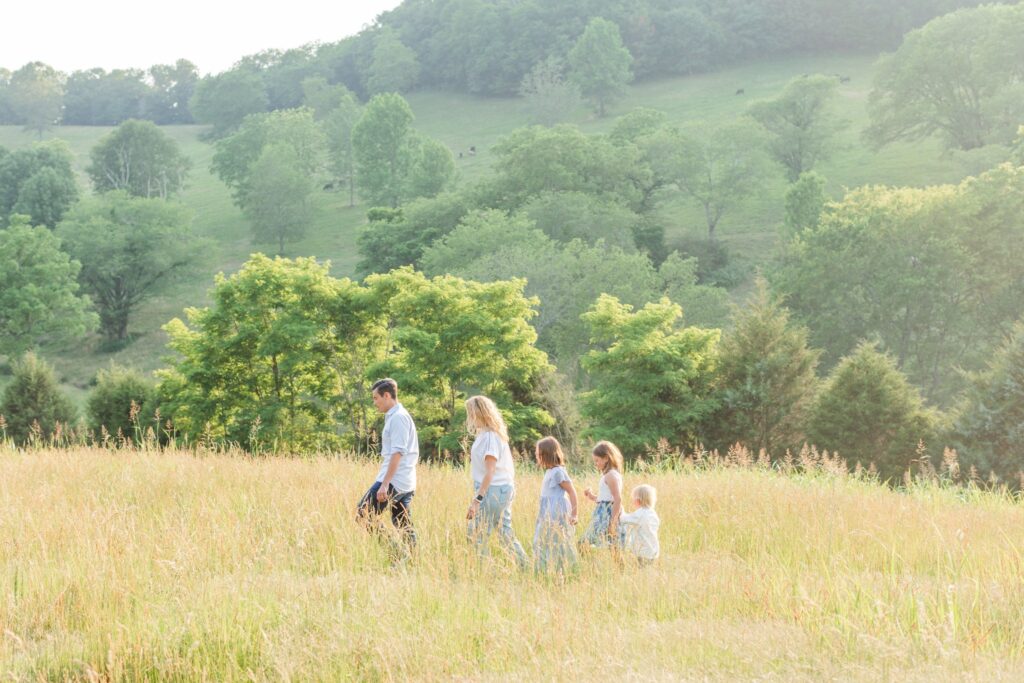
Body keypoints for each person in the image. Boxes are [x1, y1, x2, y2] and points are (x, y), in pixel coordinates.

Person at [356, 378, 419, 560]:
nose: (374, 403)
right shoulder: (394, 415)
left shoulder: (398, 417)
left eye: (376, 398)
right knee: (402, 522)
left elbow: (397, 452)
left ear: (387, 395)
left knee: (363, 514)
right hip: (404, 480)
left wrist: (385, 484)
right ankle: (412, 559)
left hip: (394, 480)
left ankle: (397, 554)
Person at [464, 396, 528, 568]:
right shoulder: (487, 434)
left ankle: (484, 570)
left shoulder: (491, 437)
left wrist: (476, 500)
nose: (469, 418)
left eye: (470, 413)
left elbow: (490, 471)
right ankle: (525, 566)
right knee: (504, 533)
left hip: (493, 490)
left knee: (477, 534)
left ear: (478, 413)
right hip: (499, 489)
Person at [533, 436, 579, 574]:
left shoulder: (558, 471)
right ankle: (545, 570)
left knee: (558, 541)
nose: (536, 456)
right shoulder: (550, 471)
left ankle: (565, 570)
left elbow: (571, 491)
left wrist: (574, 514)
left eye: (538, 453)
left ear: (546, 454)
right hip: (547, 511)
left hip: (557, 511)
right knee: (542, 541)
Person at [581, 441, 624, 549]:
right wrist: (592, 496)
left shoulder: (611, 475)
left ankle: (619, 565)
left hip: (607, 515)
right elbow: (605, 499)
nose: (595, 463)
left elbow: (617, 499)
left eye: (597, 460)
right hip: (603, 512)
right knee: (610, 546)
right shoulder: (608, 475)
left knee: (585, 543)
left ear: (606, 458)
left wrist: (613, 522)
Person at [619, 484, 660, 566]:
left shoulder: (640, 514)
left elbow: (623, 519)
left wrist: (621, 509)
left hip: (642, 552)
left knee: (640, 569)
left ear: (638, 501)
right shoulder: (653, 513)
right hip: (653, 550)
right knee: (647, 570)